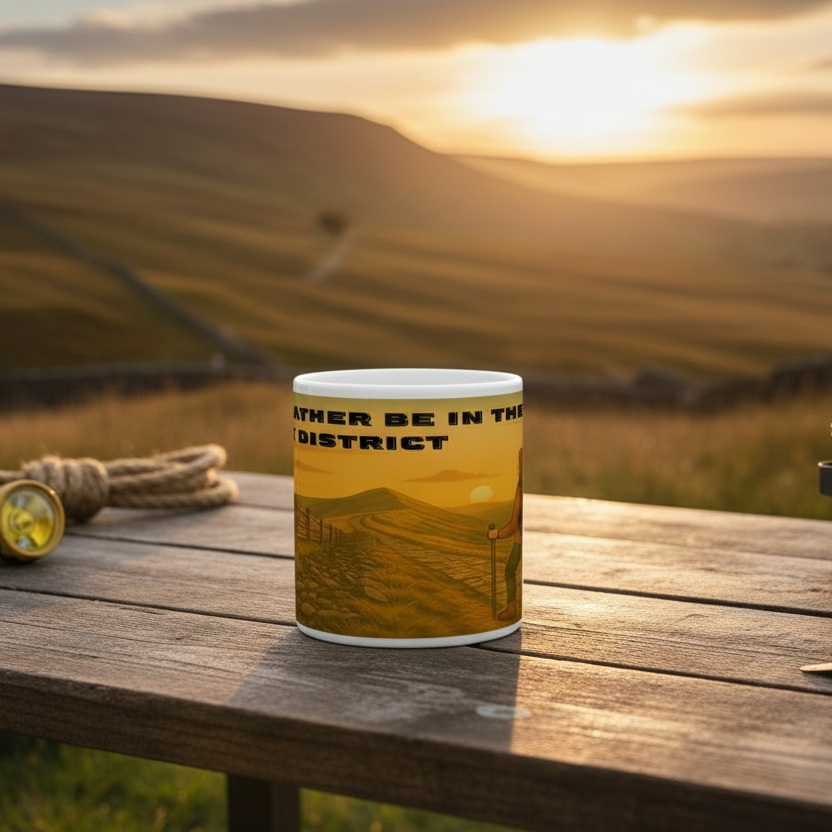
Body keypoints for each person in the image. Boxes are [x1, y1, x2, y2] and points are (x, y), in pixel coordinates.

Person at [488, 448, 522, 621]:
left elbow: (513, 526)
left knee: (510, 571)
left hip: (519, 541)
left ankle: (512, 608)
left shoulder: (519, 488)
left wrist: (496, 534)